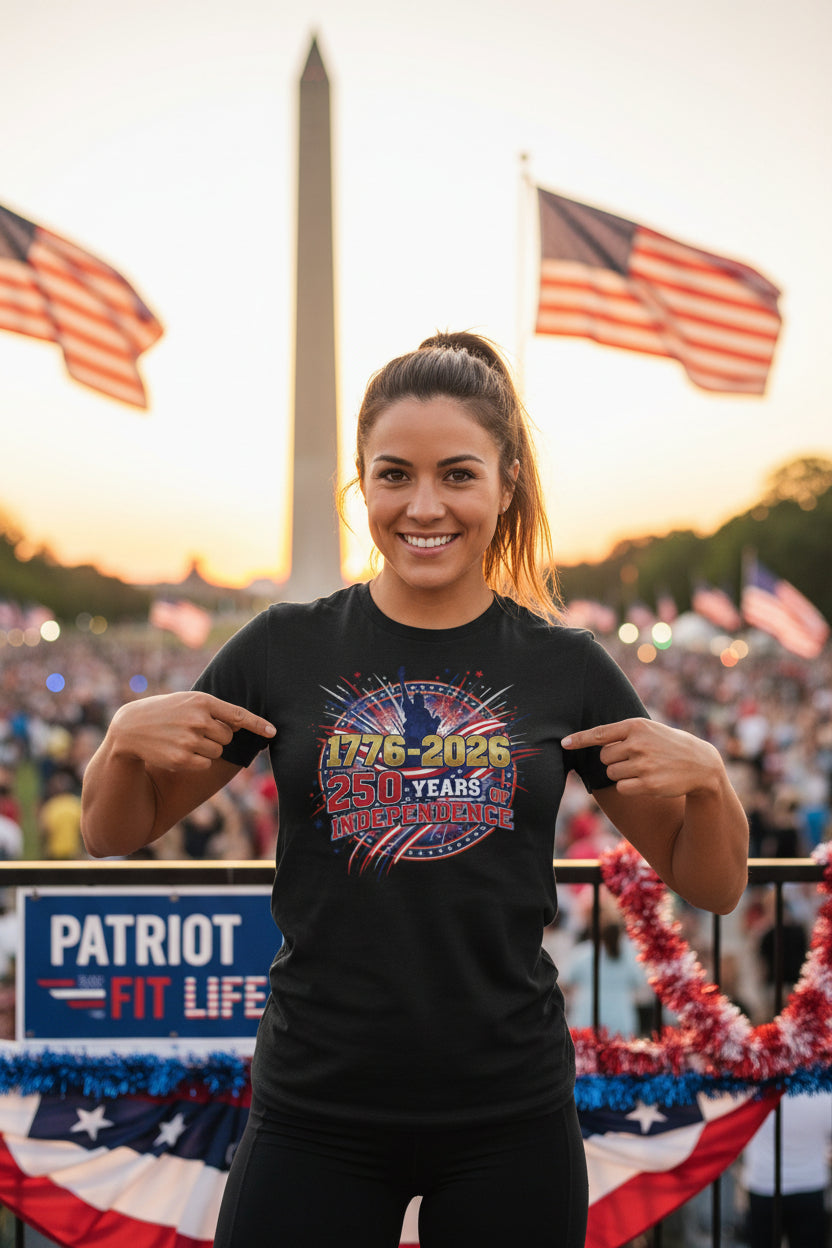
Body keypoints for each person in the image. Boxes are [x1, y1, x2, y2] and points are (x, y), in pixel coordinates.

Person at [80, 331, 749, 1248]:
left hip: (507, 1107)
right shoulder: (284, 646)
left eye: (458, 476)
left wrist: (711, 783)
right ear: (362, 485)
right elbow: (114, 832)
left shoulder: (565, 666)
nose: (424, 505)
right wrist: (119, 746)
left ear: (505, 485)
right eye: (394, 475)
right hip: (316, 1103)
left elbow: (710, 886)